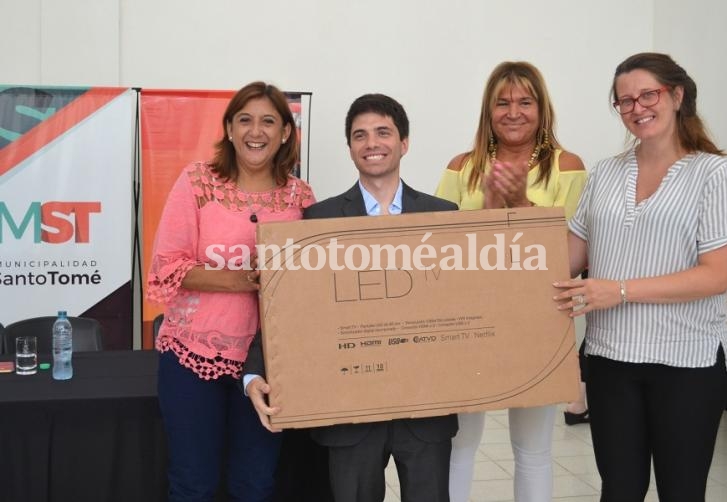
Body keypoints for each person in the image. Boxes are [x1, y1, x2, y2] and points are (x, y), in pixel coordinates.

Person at [245, 93, 459, 502]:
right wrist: (255, 371)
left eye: (383, 132)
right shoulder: (317, 220)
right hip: (348, 408)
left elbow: (466, 306)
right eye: (359, 135)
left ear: (404, 142)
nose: (371, 143)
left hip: (425, 407)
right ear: (350, 148)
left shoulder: (443, 215)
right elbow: (287, 307)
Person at [553, 52, 727, 501]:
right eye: (624, 101)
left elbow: (717, 275)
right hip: (609, 361)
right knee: (618, 490)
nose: (637, 108)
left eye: (648, 95)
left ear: (677, 95)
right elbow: (568, 258)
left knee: (681, 491)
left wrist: (619, 290)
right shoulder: (605, 173)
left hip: (686, 364)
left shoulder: (711, 174)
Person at [147, 81, 314, 501]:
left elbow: (311, 277)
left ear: (286, 133)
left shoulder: (301, 197)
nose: (255, 131)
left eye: (268, 122)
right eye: (245, 120)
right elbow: (169, 267)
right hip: (191, 356)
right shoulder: (198, 182)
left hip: (267, 363)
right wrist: (245, 278)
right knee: (192, 484)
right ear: (229, 128)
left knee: (255, 485)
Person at [435, 61, 587, 502]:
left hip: (538, 323)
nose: (513, 111)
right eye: (502, 102)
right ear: (488, 110)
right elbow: (435, 251)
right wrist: (486, 210)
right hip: (465, 323)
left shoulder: (568, 167)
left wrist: (518, 203)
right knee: (459, 443)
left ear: (542, 109)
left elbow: (571, 257)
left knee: (534, 448)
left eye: (524, 101)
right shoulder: (461, 167)